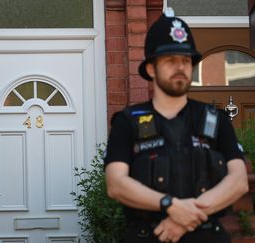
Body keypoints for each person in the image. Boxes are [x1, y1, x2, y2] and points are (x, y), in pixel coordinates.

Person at [104, 8, 248, 243]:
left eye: (185, 60)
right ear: (151, 68)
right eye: (170, 60)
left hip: (207, 235)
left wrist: (186, 215)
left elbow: (238, 180)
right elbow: (115, 183)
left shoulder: (216, 119)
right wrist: (169, 205)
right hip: (149, 235)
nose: (180, 67)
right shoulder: (127, 121)